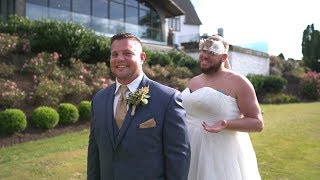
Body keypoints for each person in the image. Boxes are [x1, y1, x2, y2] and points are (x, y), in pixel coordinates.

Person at [87, 32, 191, 180]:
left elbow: (179, 156)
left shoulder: (168, 99)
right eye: (114, 54)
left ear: (142, 58)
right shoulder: (99, 99)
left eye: (127, 53)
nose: (119, 59)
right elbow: (94, 152)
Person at [181, 35, 264, 180]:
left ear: (224, 57)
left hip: (219, 154)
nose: (205, 56)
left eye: (212, 53)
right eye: (203, 51)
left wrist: (226, 123)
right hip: (189, 148)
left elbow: (257, 123)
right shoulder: (194, 81)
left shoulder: (239, 82)